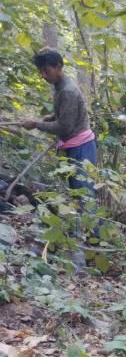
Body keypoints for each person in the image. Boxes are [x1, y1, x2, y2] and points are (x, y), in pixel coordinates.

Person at [22, 48, 99, 264]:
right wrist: (49, 117)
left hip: (82, 148)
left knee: (85, 198)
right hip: (73, 146)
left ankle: (96, 249)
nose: (43, 75)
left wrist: (37, 124)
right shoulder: (59, 86)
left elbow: (65, 127)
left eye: (46, 71)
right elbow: (64, 115)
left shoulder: (68, 91)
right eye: (41, 71)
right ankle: (79, 243)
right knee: (75, 195)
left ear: (58, 67)